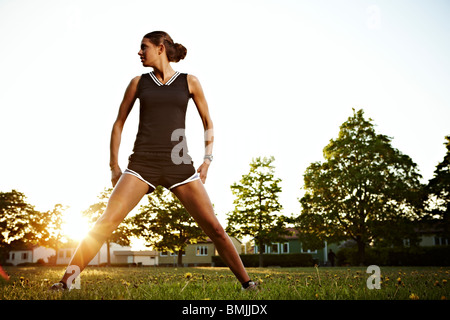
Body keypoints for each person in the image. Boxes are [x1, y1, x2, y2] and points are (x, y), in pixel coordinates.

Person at [51, 31, 256, 291]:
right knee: (105, 222)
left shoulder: (189, 81)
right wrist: (114, 166)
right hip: (141, 164)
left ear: (160, 48)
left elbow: (208, 122)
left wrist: (207, 159)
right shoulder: (138, 83)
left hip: (179, 164)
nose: (139, 53)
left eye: (143, 47)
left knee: (214, 228)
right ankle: (65, 284)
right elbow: (118, 124)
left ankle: (248, 285)